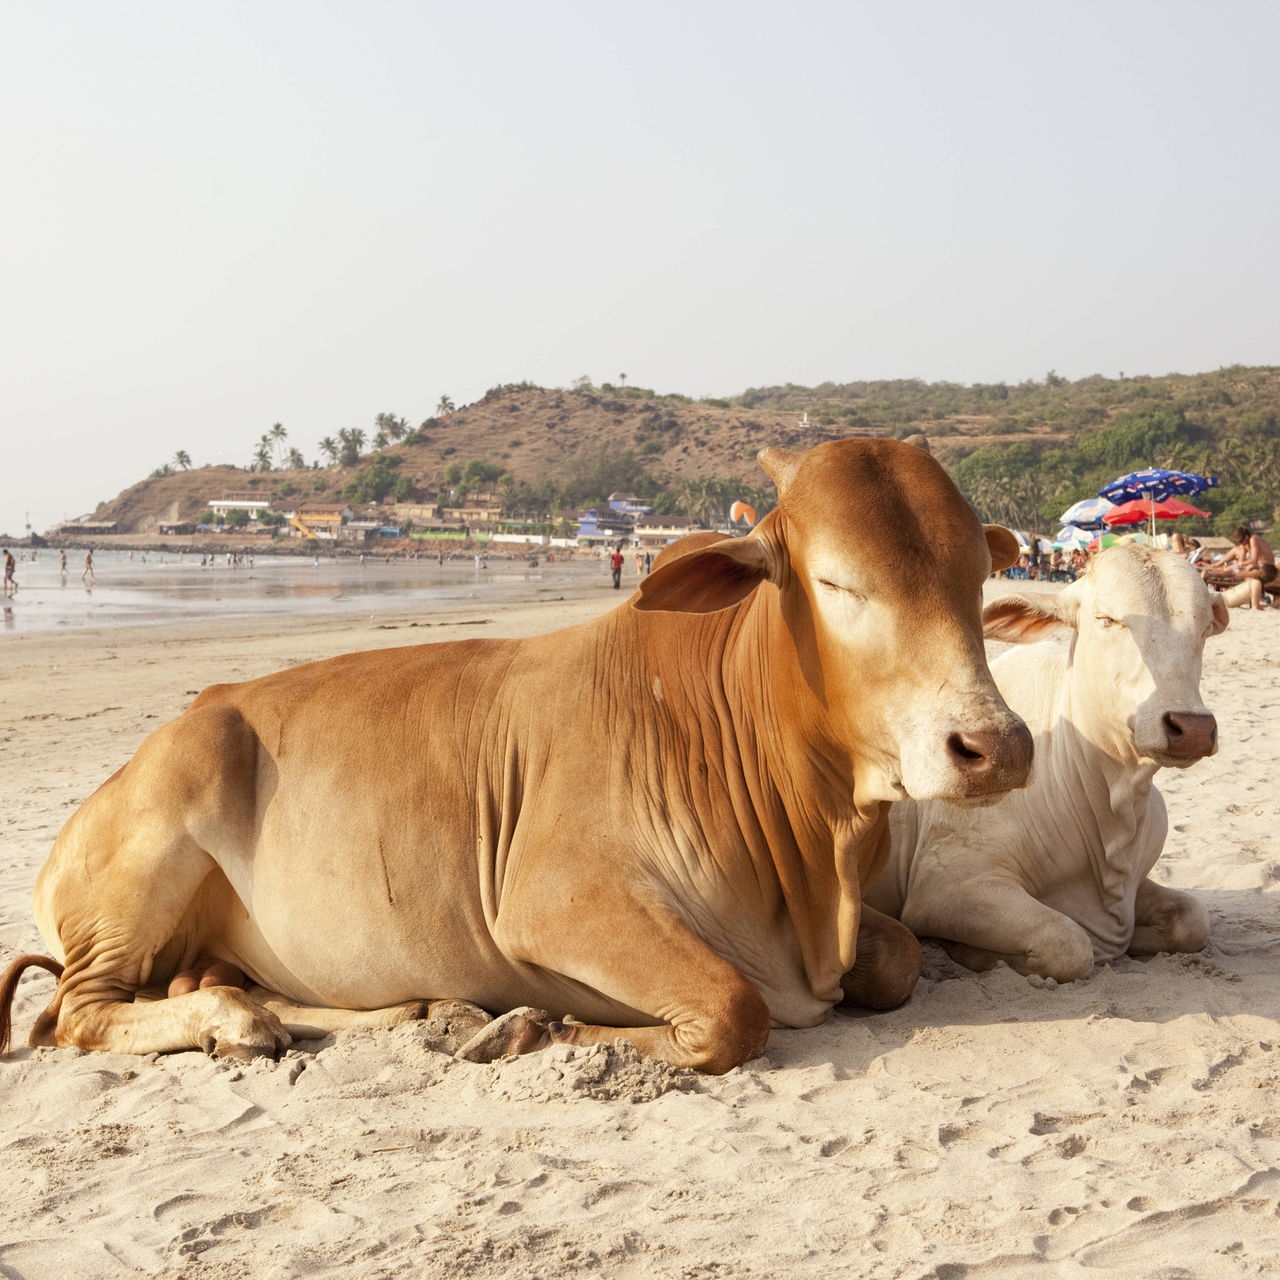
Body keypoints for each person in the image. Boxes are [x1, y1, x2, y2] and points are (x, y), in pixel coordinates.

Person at [1205, 523, 1276, 610]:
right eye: (1239, 542)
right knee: (1234, 561)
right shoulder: (1245, 543)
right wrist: (1234, 566)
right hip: (1257, 565)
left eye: (1241, 541)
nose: (1241, 543)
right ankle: (1215, 568)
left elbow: (1254, 560)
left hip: (1266, 566)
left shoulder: (1253, 539)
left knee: (1237, 568)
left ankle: (1214, 571)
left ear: (1246, 536)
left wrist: (1236, 567)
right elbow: (1241, 561)